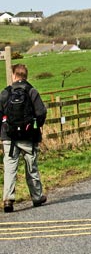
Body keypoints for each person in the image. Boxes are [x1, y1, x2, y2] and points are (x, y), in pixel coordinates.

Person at [1, 64, 47, 213]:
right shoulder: (32, 91)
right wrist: (36, 126)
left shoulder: (5, 93)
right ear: (26, 76)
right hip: (29, 137)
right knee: (31, 166)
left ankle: (8, 199)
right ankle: (37, 196)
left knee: (9, 168)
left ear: (14, 75)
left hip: (9, 137)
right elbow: (41, 112)